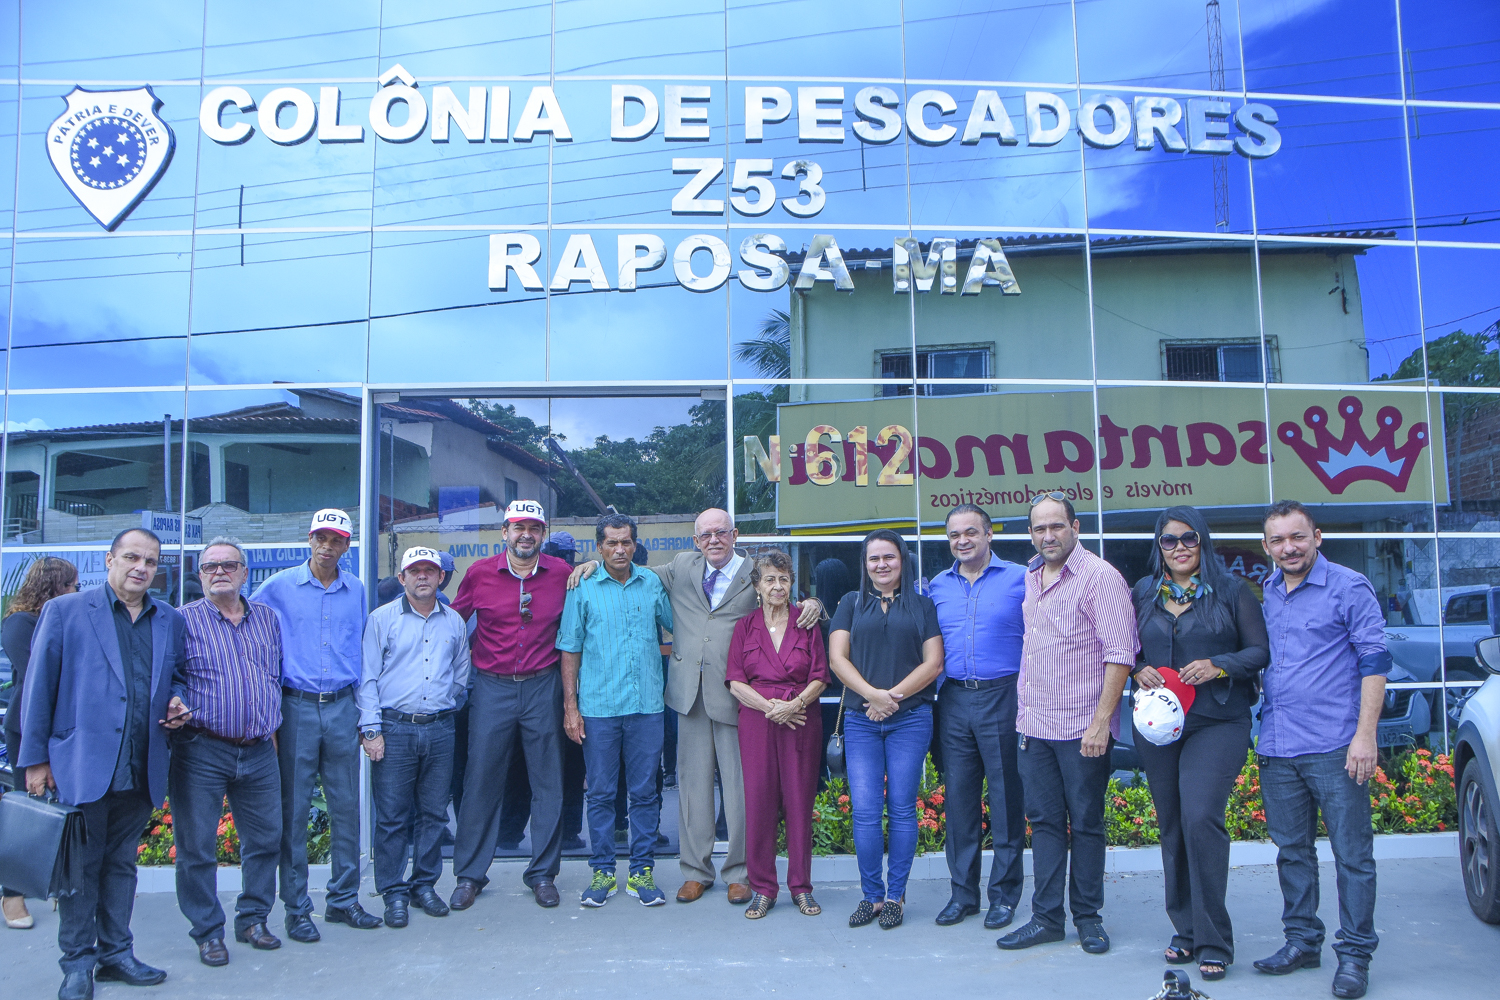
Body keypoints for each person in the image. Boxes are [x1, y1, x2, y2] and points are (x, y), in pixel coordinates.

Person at [568, 508, 822, 905]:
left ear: (735, 534)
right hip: (688, 694)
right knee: (692, 788)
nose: (713, 541)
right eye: (705, 535)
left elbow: (784, 595)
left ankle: (739, 872)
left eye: (721, 533)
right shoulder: (682, 566)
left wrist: (814, 602)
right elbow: (628, 567)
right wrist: (590, 564)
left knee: (740, 789)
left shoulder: (756, 572)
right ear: (695, 541)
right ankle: (696, 871)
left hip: (741, 698)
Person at [19, 528, 191, 1000]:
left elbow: (177, 677)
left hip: (141, 765)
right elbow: (38, 689)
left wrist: (178, 700)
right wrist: (35, 761)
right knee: (80, 871)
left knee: (121, 866)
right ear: (110, 558)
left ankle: (117, 954)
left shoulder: (168, 619)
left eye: (151, 561)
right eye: (132, 557)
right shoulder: (65, 611)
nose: (141, 567)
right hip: (81, 764)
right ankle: (77, 965)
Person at [1252, 500, 1389, 1000]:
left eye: (1298, 537)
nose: (1289, 548)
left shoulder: (1348, 587)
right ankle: (1302, 941)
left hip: (1336, 745)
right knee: (1292, 853)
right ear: (1266, 547)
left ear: (1317, 537)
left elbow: (1375, 663)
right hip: (1278, 745)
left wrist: (1365, 735)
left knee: (1353, 856)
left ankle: (1354, 955)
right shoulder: (1266, 591)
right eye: (1278, 541)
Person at [1129, 507, 1269, 982]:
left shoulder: (1230, 591)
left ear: (1203, 541)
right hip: (1159, 728)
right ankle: (1184, 929)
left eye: (1189, 538)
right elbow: (1123, 648)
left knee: (1200, 817)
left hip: (1217, 721)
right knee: (1171, 824)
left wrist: (1219, 664)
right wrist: (1135, 669)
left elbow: (1259, 651)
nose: (1180, 547)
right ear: (1159, 546)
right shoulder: (1145, 592)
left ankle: (1214, 939)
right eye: (1169, 541)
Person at [998, 493, 1137, 955]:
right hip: (1035, 725)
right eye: (1039, 528)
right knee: (1045, 823)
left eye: (1056, 526)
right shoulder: (1033, 575)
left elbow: (1121, 655)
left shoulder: (1101, 578)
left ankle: (1088, 918)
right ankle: (1046, 918)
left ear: (1075, 527)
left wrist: (1101, 724)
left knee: (1087, 824)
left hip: (1082, 729)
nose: (1047, 536)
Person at [252, 508, 380, 939]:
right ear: (310, 539)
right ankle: (297, 907)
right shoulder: (278, 587)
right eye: (321, 538)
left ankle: (344, 899)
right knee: (295, 809)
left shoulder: (355, 589)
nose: (328, 546)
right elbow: (249, 635)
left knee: (347, 807)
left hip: (343, 706)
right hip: (297, 708)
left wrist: (367, 717)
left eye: (337, 539)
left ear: (347, 545)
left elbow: (359, 654)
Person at [447, 500, 570, 911]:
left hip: (543, 686)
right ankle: (469, 875)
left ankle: (542, 874)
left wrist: (588, 567)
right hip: (491, 687)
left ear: (543, 534)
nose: (526, 535)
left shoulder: (563, 574)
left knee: (548, 782)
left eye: (534, 528)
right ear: (505, 532)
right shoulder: (480, 574)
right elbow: (449, 626)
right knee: (481, 780)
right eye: (518, 528)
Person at [172, 537, 287, 966]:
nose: (218, 572)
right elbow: (171, 679)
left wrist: (271, 735)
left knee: (264, 840)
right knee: (197, 846)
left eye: (228, 565)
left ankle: (253, 918)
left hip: (258, 751)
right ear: (199, 575)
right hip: (202, 749)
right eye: (208, 567)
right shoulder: (180, 622)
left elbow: (274, 678)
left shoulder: (268, 620)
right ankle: (207, 932)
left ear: (244, 572)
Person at [827, 529, 944, 930]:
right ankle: (872, 896)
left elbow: (934, 664)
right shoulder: (850, 603)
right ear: (865, 564)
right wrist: (871, 697)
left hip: (909, 720)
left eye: (889, 557)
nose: (881, 565)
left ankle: (896, 895)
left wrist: (888, 697)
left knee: (900, 808)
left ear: (903, 560)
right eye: (874, 558)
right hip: (862, 722)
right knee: (864, 810)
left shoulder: (922, 606)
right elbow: (838, 659)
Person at [558, 513, 674, 908]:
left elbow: (679, 624)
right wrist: (570, 707)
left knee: (644, 793)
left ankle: (641, 871)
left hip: (646, 706)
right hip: (599, 708)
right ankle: (603, 872)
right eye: (611, 543)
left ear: (635, 544)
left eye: (626, 542)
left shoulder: (652, 583)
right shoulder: (583, 585)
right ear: (599, 546)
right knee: (602, 793)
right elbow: (570, 647)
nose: (620, 550)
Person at [926, 504, 1027, 931]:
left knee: (1006, 801)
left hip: (1004, 695)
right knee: (960, 802)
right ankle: (962, 895)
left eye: (971, 532)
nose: (962, 540)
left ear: (989, 535)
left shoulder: (1022, 579)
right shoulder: (936, 586)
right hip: (953, 700)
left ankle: (1003, 898)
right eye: (954, 535)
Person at [358, 547, 471, 929]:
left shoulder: (454, 621)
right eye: (414, 571)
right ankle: (392, 892)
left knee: (434, 814)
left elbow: (460, 675)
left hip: (440, 728)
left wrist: (441, 707)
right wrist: (371, 729)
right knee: (391, 818)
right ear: (402, 577)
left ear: (441, 578)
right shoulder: (381, 619)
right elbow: (368, 678)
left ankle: (424, 885)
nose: (422, 576)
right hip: (394, 728)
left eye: (430, 571)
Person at [725, 550, 830, 919]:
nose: (777, 586)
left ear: (791, 584)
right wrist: (771, 708)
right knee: (760, 804)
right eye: (769, 579)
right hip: (757, 721)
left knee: (800, 802)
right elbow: (735, 681)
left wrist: (793, 705)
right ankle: (764, 889)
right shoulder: (745, 626)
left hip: (801, 720)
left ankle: (801, 887)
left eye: (783, 579)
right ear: (757, 586)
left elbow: (820, 674)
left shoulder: (807, 622)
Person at [2, 556, 78, 931]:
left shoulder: (65, 619)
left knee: (62, 806)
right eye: (71, 584)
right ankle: (12, 893)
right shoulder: (19, 623)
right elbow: (39, 675)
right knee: (26, 809)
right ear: (55, 585)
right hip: (27, 726)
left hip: (66, 727)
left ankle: (53, 885)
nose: (76, 590)